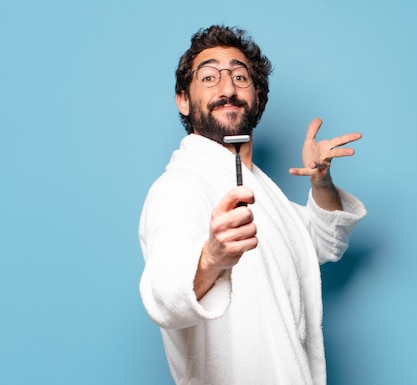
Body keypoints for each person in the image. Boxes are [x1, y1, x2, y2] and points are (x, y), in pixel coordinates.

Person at [138, 25, 366, 385]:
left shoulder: (263, 192)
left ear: (258, 97)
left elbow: (322, 245)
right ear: (183, 98)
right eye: (209, 77)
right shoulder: (179, 188)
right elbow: (163, 292)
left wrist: (320, 183)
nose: (227, 88)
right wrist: (211, 258)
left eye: (240, 77)